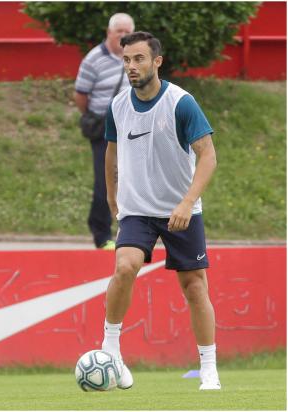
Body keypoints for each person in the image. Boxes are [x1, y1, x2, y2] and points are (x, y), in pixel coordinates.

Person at [102, 31, 219, 390]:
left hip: (180, 210)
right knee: (125, 267)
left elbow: (209, 156)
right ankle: (110, 349)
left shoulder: (181, 103)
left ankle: (209, 367)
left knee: (195, 287)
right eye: (126, 60)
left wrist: (186, 202)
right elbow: (111, 152)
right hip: (137, 209)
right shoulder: (118, 105)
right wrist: (112, 198)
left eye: (139, 59)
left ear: (157, 62)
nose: (131, 67)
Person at [74, 13, 134, 250]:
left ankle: (130, 231)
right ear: (109, 33)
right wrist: (95, 117)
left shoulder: (134, 58)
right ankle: (101, 234)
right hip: (104, 129)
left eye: (126, 31)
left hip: (131, 129)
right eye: (118, 30)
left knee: (130, 181)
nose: (122, 35)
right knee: (105, 182)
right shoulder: (94, 59)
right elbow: (81, 94)